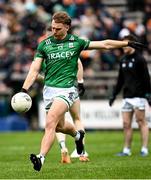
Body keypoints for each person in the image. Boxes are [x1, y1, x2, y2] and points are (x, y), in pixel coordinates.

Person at [21, 11, 144, 172]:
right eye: (52, 28)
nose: (54, 32)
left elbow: (104, 44)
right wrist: (24, 89)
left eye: (58, 29)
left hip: (67, 90)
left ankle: (40, 158)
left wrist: (126, 44)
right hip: (49, 90)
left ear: (67, 27)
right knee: (59, 126)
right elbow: (34, 69)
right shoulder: (45, 44)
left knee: (50, 122)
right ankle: (78, 136)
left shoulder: (76, 42)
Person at [38, 29, 89, 163]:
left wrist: (79, 82)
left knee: (56, 121)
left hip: (66, 89)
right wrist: (81, 82)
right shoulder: (58, 47)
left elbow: (44, 77)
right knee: (72, 119)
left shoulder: (47, 51)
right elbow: (78, 64)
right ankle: (82, 151)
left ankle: (64, 148)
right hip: (68, 89)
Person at [109, 34, 151, 157]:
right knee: (126, 124)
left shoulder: (140, 59)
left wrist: (148, 94)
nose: (123, 47)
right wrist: (114, 95)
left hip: (139, 96)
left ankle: (144, 148)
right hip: (127, 96)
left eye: (125, 44)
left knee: (141, 121)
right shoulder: (123, 60)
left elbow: (146, 78)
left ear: (132, 44)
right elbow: (120, 80)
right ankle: (126, 149)